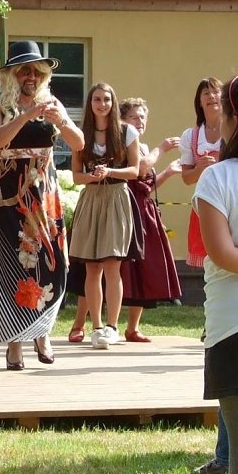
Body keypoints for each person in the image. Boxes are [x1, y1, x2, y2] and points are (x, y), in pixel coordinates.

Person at [0, 41, 83, 369]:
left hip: (45, 193)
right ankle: (14, 343)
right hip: (10, 194)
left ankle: (42, 333)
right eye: (24, 70)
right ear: (10, 74)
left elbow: (79, 143)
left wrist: (61, 122)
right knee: (15, 264)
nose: (31, 76)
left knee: (52, 264)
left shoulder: (51, 102)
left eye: (38, 71)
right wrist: (27, 116)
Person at [194, 69, 238, 474]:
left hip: (235, 329)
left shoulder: (216, 180)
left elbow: (221, 252)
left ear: (235, 120)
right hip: (236, 328)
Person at [68, 97, 182, 343]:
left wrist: (167, 171)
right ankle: (85, 324)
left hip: (130, 205)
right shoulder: (93, 135)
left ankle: (123, 326)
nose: (139, 121)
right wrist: (160, 150)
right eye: (134, 116)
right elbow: (139, 169)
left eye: (143, 117)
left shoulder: (130, 138)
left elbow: (142, 178)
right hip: (105, 201)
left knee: (121, 267)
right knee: (91, 265)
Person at [69, 82, 140, 350]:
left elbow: (134, 170)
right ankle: (96, 326)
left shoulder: (126, 131)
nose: (102, 104)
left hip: (116, 196)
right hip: (91, 197)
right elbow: (76, 176)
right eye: (97, 99)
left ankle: (112, 326)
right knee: (92, 266)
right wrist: (92, 176)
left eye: (107, 99)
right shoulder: (80, 134)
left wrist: (109, 172)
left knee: (113, 264)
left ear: (113, 102)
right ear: (90, 104)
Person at [181, 77, 223, 268]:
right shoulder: (191, 135)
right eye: (206, 93)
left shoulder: (236, 130)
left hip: (232, 199)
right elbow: (186, 179)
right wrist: (199, 169)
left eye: (215, 91)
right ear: (199, 101)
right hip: (205, 201)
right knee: (209, 259)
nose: (211, 96)